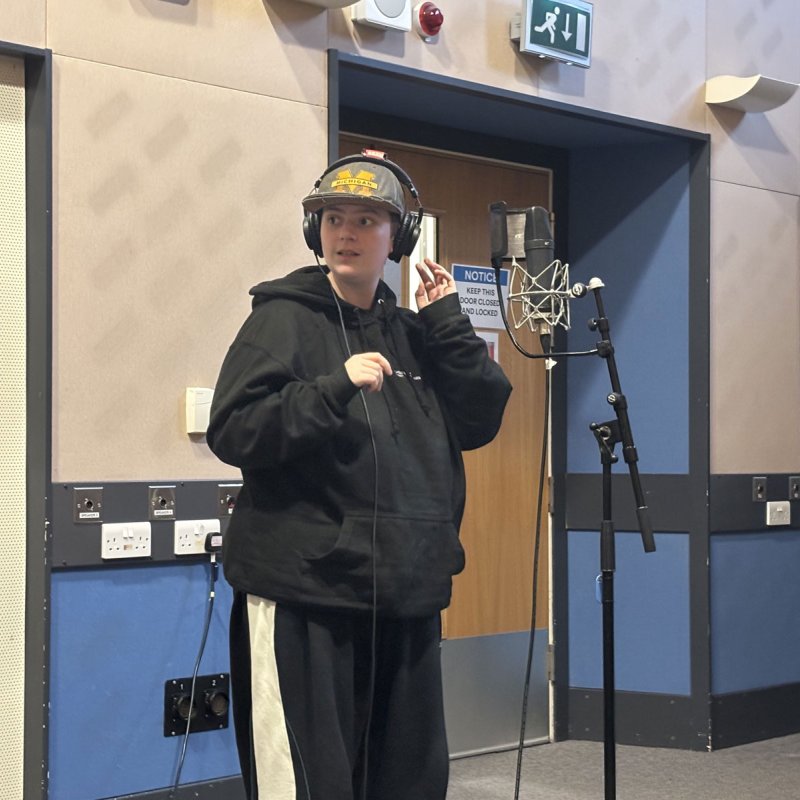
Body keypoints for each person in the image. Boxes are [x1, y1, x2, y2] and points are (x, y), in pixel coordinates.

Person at [206, 150, 512, 800]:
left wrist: (449, 324)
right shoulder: (281, 321)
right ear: (314, 231)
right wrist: (331, 390)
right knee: (311, 786)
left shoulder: (416, 334)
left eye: (368, 220)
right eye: (333, 218)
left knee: (407, 783)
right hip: (306, 599)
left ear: (398, 237)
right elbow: (235, 430)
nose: (346, 233)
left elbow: (481, 418)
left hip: (405, 598)